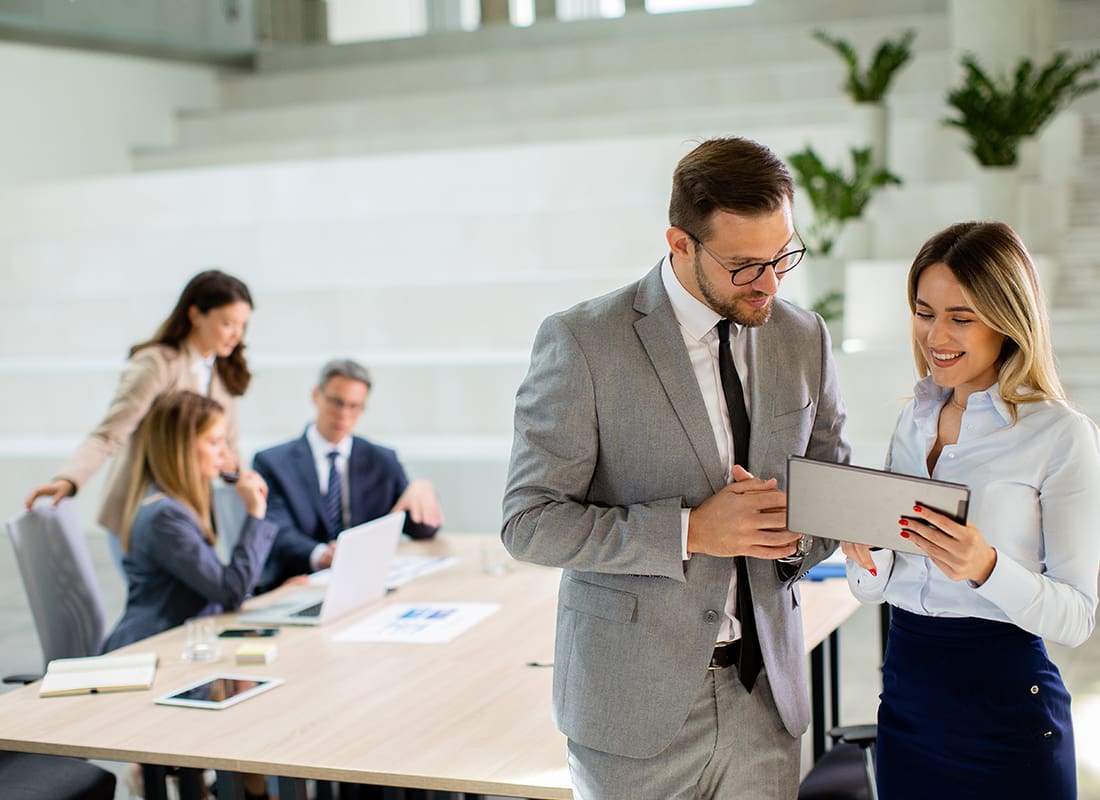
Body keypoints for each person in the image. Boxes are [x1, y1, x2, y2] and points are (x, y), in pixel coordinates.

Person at [501, 136, 850, 799]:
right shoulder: (583, 342)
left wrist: (799, 534)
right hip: (633, 712)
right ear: (680, 243)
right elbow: (529, 522)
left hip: (766, 702)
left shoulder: (804, 337)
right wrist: (691, 531)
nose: (770, 283)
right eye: (746, 265)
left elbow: (831, 481)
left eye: (783, 256)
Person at [842, 221, 1100, 799]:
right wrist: (868, 558)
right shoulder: (912, 422)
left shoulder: (1061, 436)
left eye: (961, 317)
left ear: (1008, 320)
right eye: (924, 311)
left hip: (1007, 718)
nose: (936, 334)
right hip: (908, 707)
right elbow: (874, 587)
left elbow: (1078, 618)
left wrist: (985, 566)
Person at [25, 269, 254, 570]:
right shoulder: (157, 364)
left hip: (192, 512)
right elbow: (110, 433)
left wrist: (240, 476)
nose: (236, 335)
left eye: (242, 325)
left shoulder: (222, 374)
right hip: (141, 509)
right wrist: (68, 479)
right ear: (196, 315)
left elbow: (228, 449)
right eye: (227, 323)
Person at [101, 391, 275, 652]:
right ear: (181, 447)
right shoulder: (164, 517)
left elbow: (220, 589)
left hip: (179, 643)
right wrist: (255, 512)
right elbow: (229, 591)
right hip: (150, 650)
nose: (225, 455)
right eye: (215, 442)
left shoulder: (178, 506)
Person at [252, 358, 443, 590]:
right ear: (316, 396)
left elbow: (422, 530)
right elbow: (275, 532)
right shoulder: (272, 462)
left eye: (354, 406)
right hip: (300, 583)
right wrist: (322, 554)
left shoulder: (382, 460)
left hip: (367, 585)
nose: (344, 414)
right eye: (336, 402)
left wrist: (422, 489)